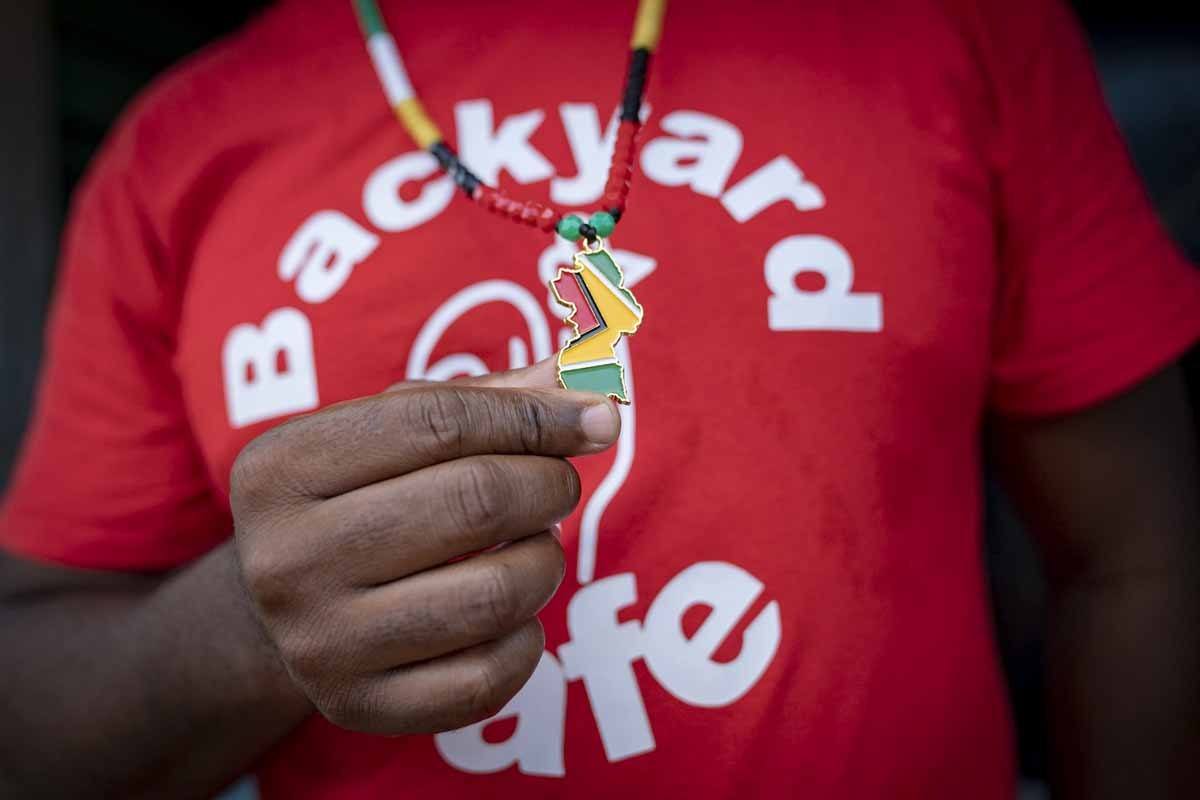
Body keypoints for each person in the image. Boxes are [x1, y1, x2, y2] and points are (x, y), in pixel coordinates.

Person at [1, 0, 1197, 797]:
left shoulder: (959, 25)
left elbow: (1139, 554)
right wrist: (248, 631)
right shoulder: (181, 142)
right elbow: (30, 709)